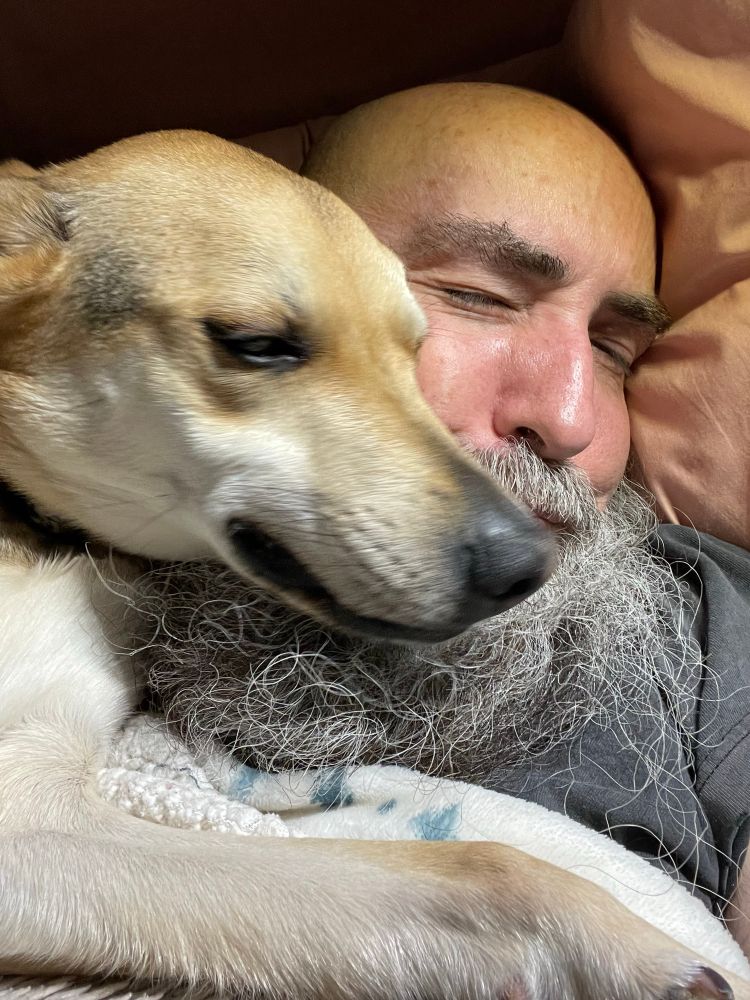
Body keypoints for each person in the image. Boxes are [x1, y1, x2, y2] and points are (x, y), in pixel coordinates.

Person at [135, 83, 750, 950]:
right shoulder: (73, 550)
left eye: (613, 348)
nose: (571, 420)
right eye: (478, 296)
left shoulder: (708, 626)